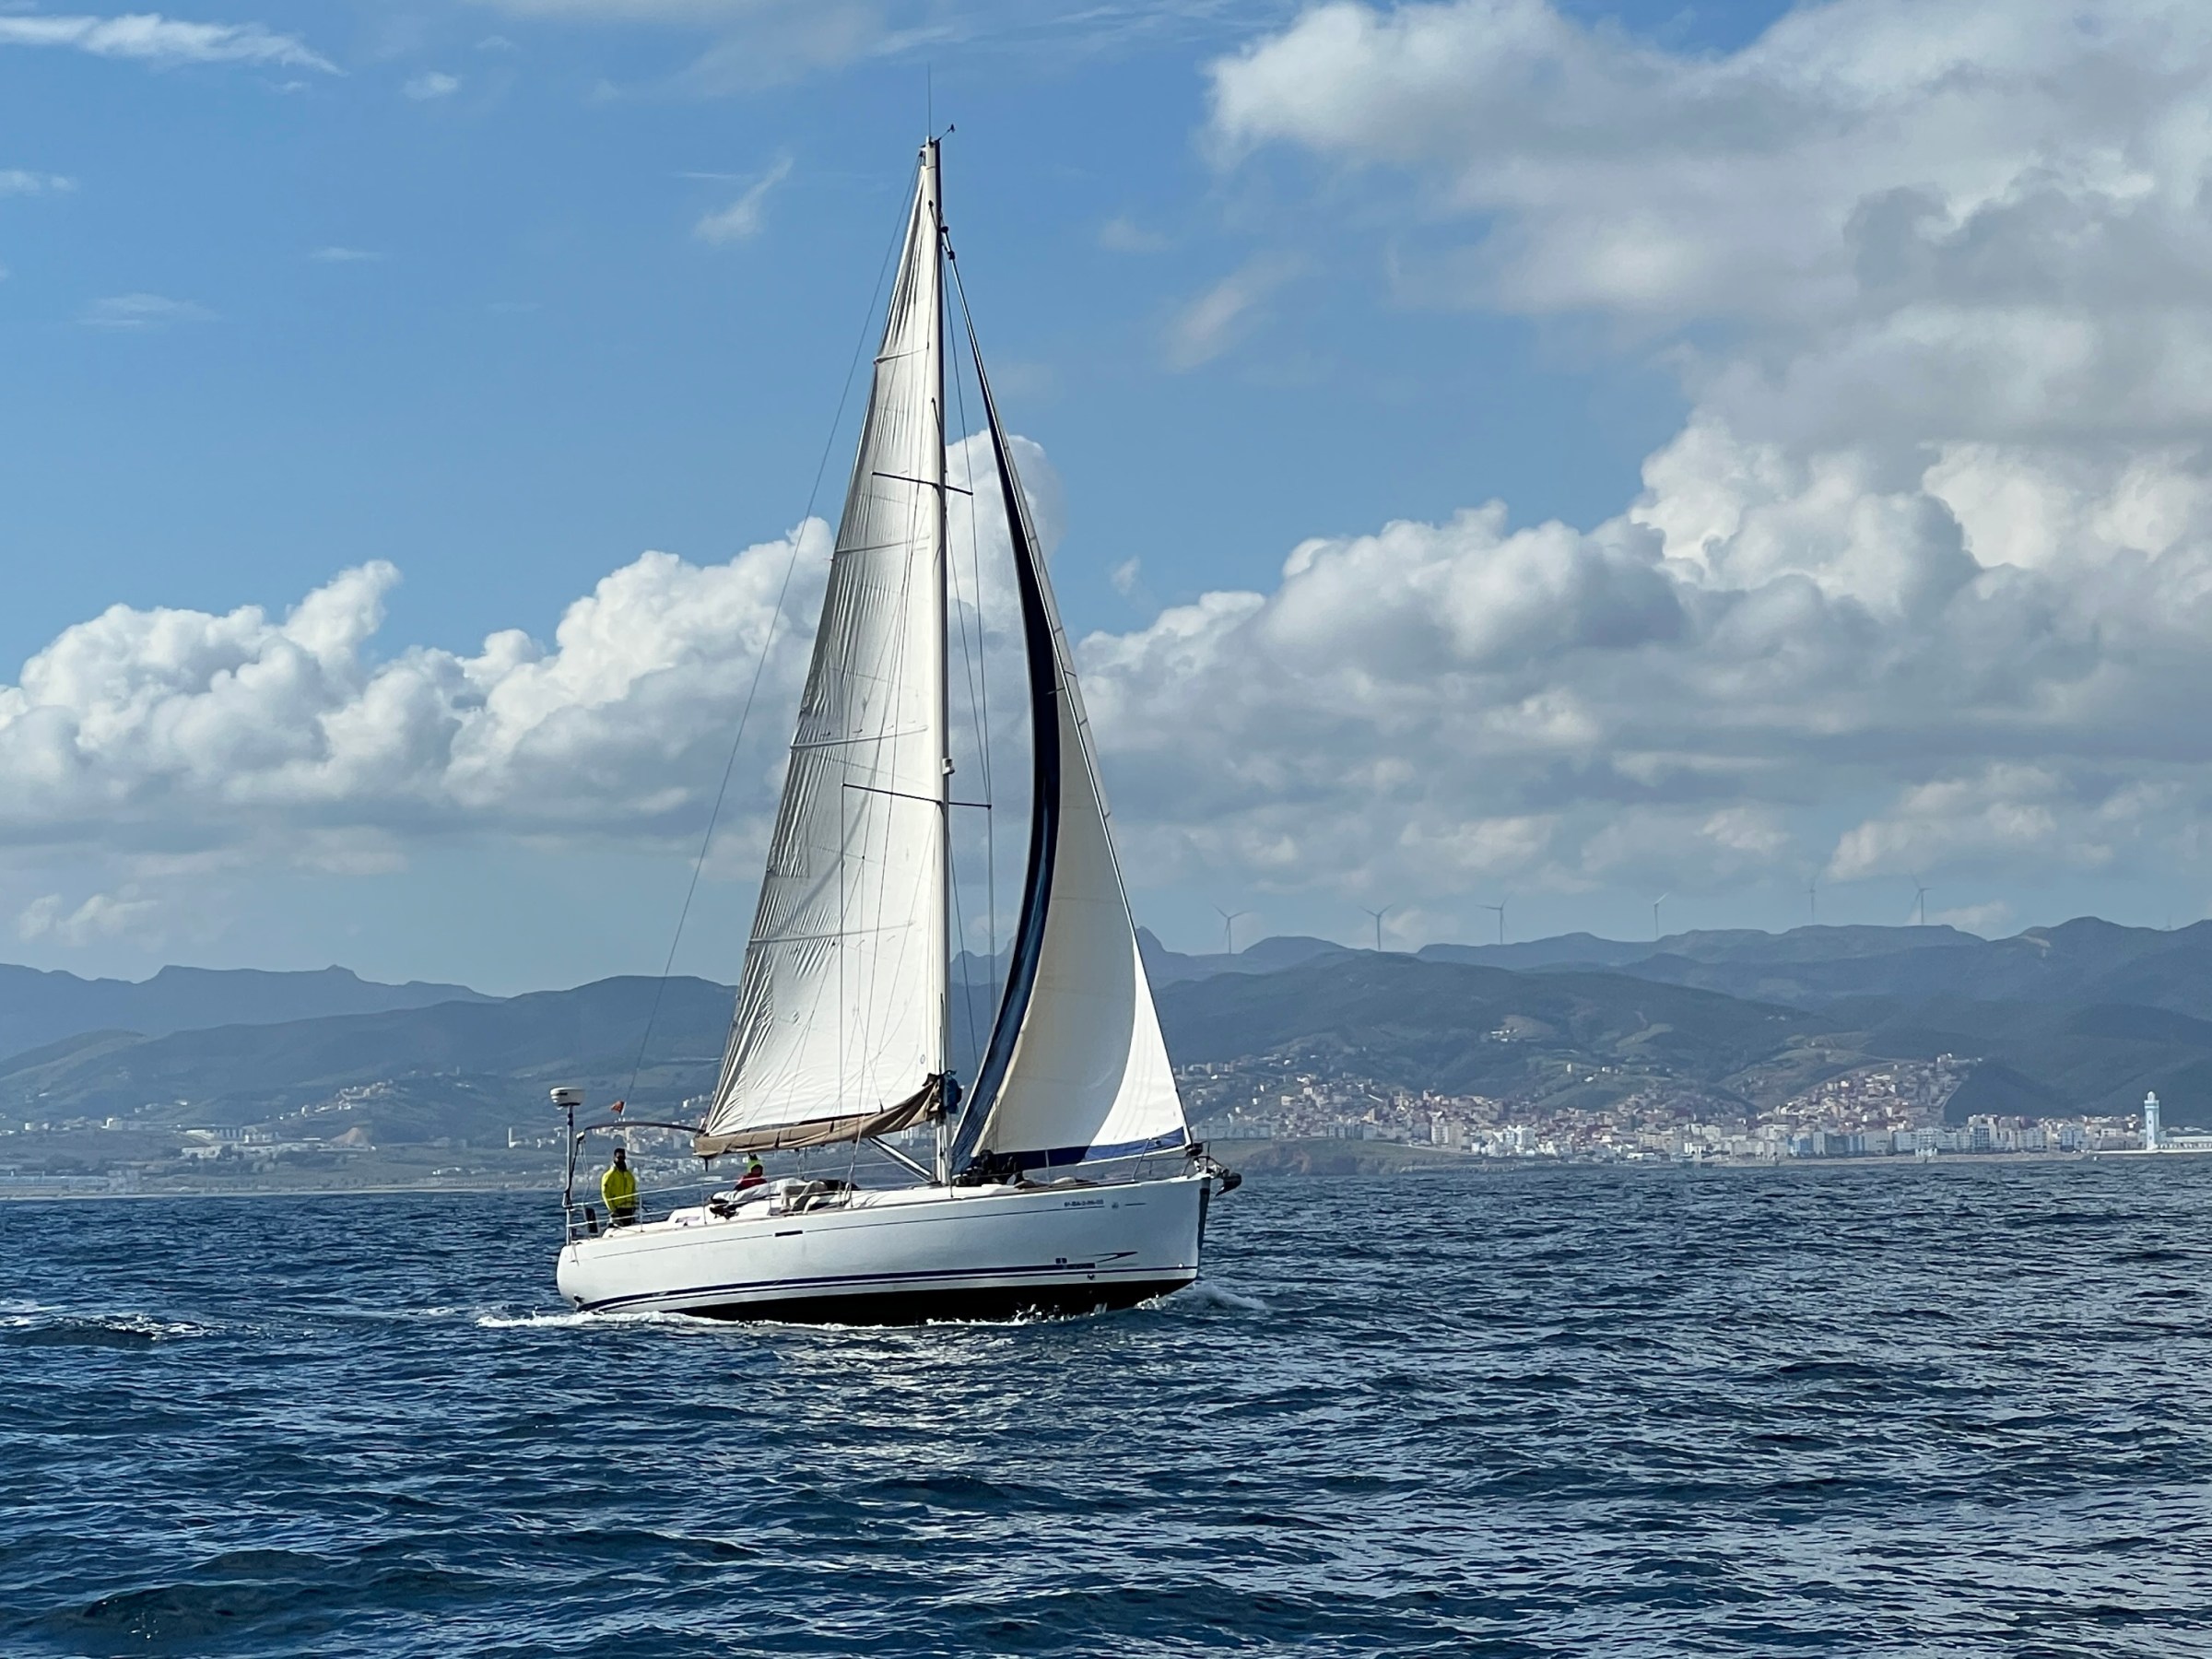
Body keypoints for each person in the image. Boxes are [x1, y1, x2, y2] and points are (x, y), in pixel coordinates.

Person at [601, 1145, 640, 1227]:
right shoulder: (609, 1175)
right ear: (614, 1158)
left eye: (623, 1158)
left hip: (629, 1209)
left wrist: (634, 1205)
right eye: (619, 1157)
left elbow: (633, 1190)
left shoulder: (629, 1175)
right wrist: (612, 1209)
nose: (621, 1160)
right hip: (617, 1209)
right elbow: (605, 1193)